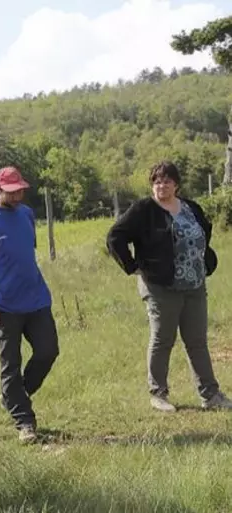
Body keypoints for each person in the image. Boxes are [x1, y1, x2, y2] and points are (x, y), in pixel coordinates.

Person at [106, 161, 232, 412]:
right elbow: (115, 237)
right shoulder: (144, 210)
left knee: (197, 341)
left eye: (166, 180)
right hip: (160, 285)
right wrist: (133, 266)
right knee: (163, 339)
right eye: (156, 181)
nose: (161, 185)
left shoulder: (190, 207)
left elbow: (204, 231)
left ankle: (210, 394)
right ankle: (158, 394)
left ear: (176, 184)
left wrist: (202, 259)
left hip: (194, 284)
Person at [0, 166, 59, 443]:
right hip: (5, 306)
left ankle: (13, 395)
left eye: (20, 189)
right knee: (11, 364)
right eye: (11, 191)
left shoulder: (26, 214)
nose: (18, 195)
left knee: (48, 352)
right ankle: (25, 423)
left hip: (37, 299)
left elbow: (27, 252)